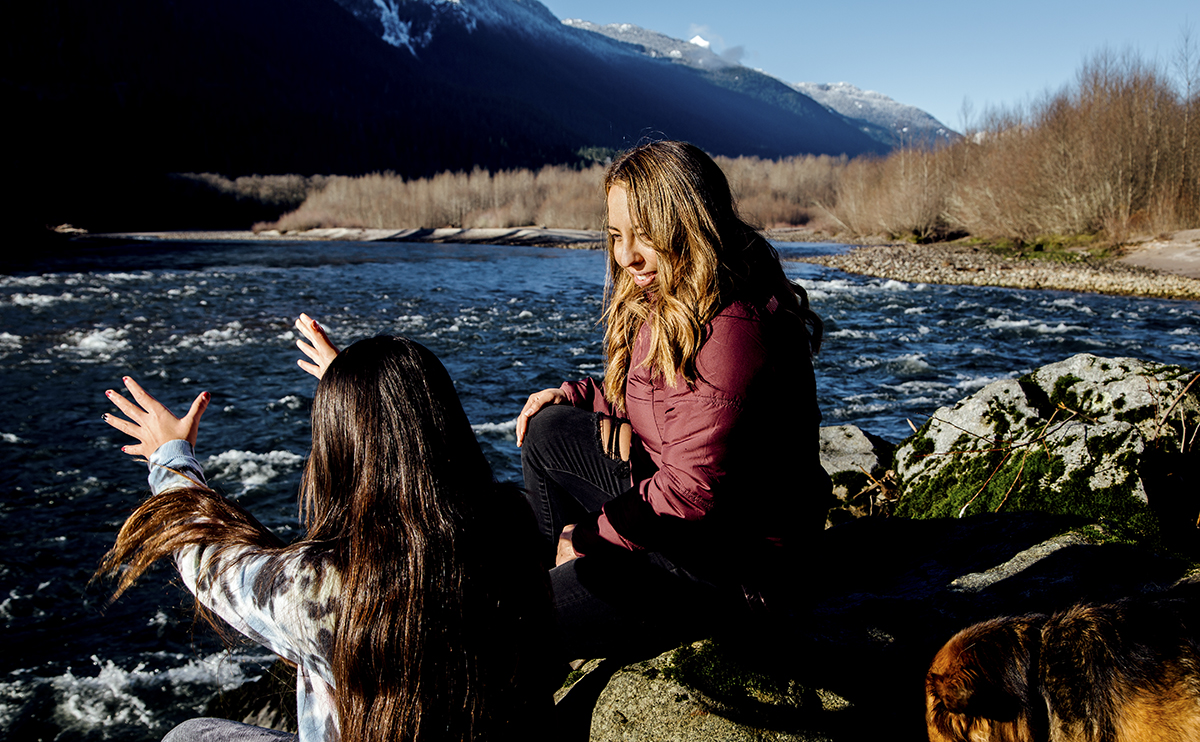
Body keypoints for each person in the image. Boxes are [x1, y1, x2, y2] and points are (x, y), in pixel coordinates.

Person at [98, 328, 551, 742]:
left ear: (338, 448)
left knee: (190, 736)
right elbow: (414, 444)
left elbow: (209, 563)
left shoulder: (319, 587)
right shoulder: (512, 521)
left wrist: (171, 459)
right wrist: (370, 391)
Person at [515, 140, 831, 660]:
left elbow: (691, 491)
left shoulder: (735, 329)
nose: (625, 256)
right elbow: (661, 401)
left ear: (691, 225)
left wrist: (590, 537)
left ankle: (538, 631)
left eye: (646, 236)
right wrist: (575, 395)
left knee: (516, 620)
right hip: (693, 528)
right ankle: (548, 593)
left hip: (733, 567)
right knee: (548, 430)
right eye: (618, 236)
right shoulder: (676, 296)